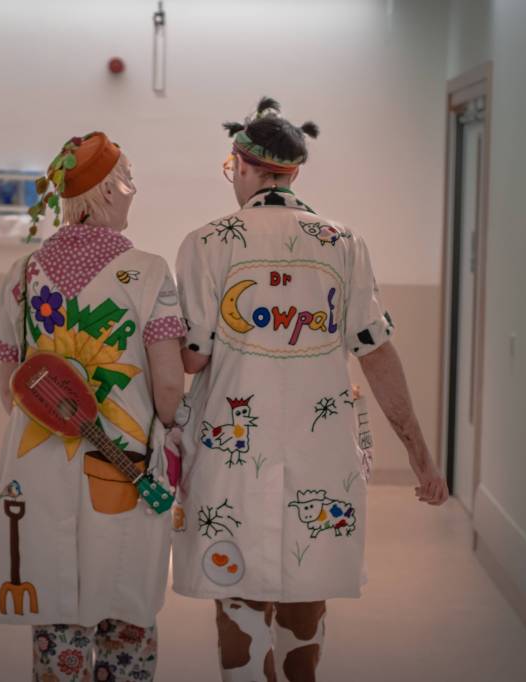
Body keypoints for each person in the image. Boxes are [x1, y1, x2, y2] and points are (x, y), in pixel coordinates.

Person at [172, 98, 449, 682]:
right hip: (321, 459)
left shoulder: (206, 243)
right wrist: (420, 456)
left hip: (231, 455)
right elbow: (376, 351)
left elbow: (193, 357)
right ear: (294, 172)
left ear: (241, 165)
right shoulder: (343, 243)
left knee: (238, 599)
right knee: (306, 603)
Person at [0, 131, 186, 681]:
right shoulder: (148, 272)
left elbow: (9, 382)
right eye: (130, 179)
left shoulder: (24, 273)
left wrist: (51, 424)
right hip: (126, 466)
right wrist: (172, 430)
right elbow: (169, 382)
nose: (135, 189)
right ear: (110, 190)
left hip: (37, 467)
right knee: (126, 608)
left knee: (55, 609)